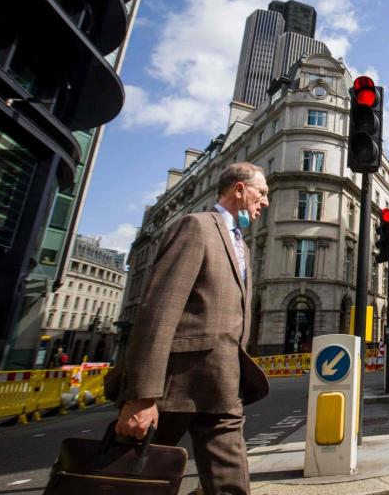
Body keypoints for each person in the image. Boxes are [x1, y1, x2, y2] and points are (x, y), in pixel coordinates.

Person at [105, 162, 271, 495]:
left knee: (231, 486)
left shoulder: (243, 246)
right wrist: (141, 396)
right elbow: (159, 310)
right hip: (174, 388)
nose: (265, 202)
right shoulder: (196, 227)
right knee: (122, 477)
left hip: (223, 386)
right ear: (239, 189)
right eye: (262, 193)